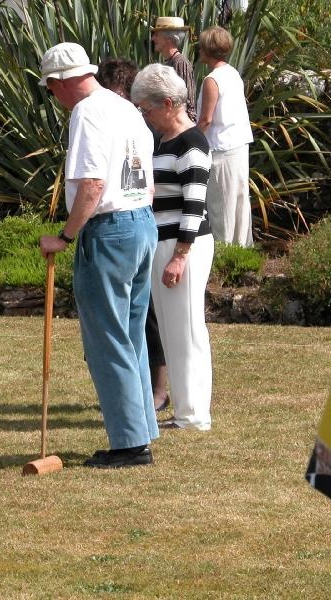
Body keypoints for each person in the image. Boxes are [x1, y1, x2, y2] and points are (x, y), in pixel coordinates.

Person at [37, 42, 159, 468]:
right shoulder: (125, 107)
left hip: (109, 231)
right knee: (130, 334)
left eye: (51, 88)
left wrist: (65, 237)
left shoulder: (86, 112)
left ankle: (128, 444)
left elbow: (91, 183)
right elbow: (147, 175)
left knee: (108, 338)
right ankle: (141, 431)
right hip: (141, 222)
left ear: (63, 82)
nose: (53, 96)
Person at [131, 64, 214, 430]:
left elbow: (194, 204)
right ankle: (185, 410)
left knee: (187, 329)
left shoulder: (191, 141)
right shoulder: (164, 140)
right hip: (165, 242)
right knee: (171, 329)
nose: (144, 116)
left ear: (168, 103)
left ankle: (194, 414)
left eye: (146, 109)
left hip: (185, 245)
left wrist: (180, 256)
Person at [97, 57, 170, 412]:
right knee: (120, 318)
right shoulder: (115, 122)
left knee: (143, 317)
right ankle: (128, 394)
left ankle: (155, 389)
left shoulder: (140, 126)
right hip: (136, 224)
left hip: (133, 225)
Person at [197, 26, 254, 246]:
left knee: (221, 204)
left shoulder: (212, 80)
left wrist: (191, 143)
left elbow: (206, 120)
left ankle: (224, 251)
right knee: (238, 201)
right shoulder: (233, 73)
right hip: (238, 145)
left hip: (220, 148)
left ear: (207, 50)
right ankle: (242, 249)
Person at [150, 16, 197, 123]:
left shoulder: (180, 63)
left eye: (157, 35)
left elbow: (187, 101)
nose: (153, 39)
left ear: (169, 39)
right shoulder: (168, 62)